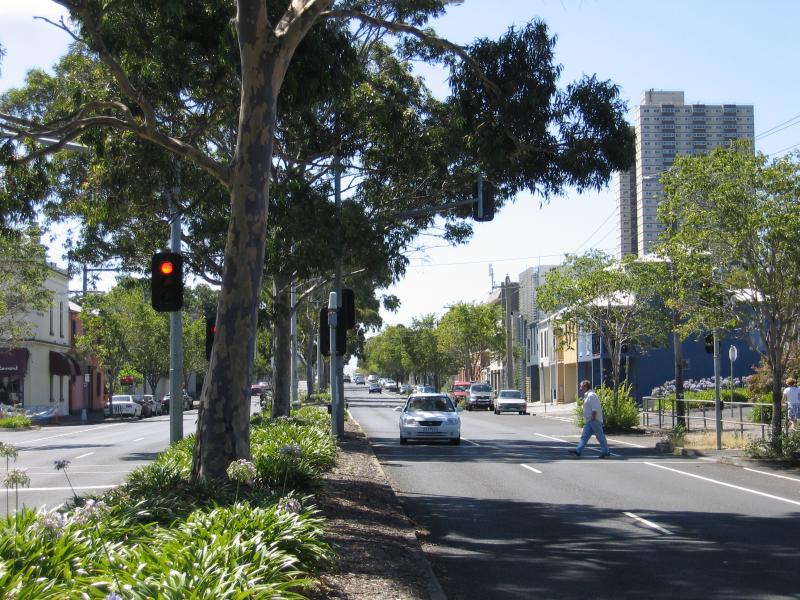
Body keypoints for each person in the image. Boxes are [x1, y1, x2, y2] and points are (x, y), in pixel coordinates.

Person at [571, 380, 611, 458]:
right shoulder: (588, 395)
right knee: (584, 436)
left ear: (585, 386)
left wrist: (593, 418)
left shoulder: (592, 395)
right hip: (589, 420)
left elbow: (595, 408)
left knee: (600, 436)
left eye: (581, 386)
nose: (580, 389)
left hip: (594, 420)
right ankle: (578, 451)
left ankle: (606, 451)